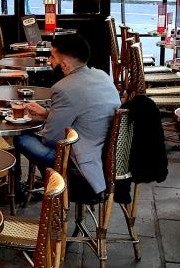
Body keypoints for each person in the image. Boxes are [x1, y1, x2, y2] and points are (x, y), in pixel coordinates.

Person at [14, 34, 119, 197]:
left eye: (52, 57)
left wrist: (35, 127)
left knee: (21, 138)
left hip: (78, 164)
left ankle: (56, 184)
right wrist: (46, 114)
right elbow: (84, 115)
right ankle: (50, 182)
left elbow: (51, 138)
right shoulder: (102, 76)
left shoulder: (63, 88)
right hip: (103, 155)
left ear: (64, 65)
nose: (49, 61)